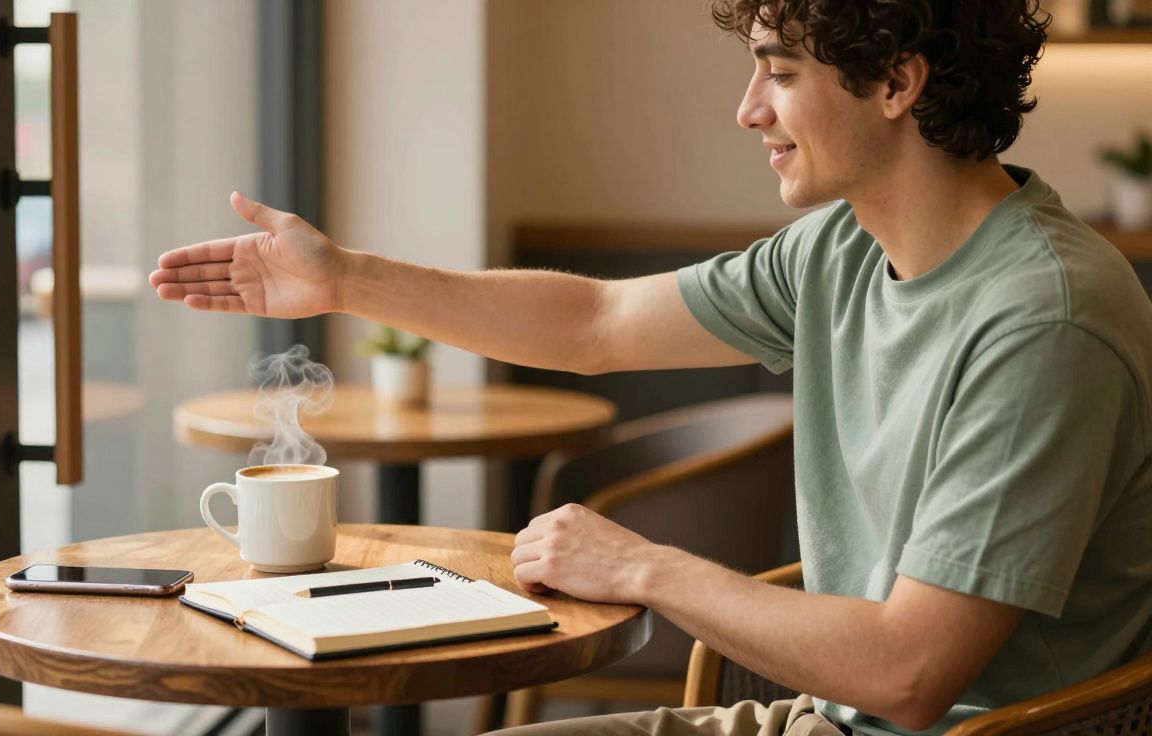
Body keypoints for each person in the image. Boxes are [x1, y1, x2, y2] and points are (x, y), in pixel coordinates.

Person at [149, 1, 1152, 733]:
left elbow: (908, 672)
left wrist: (639, 566)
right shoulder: (841, 252)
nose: (747, 109)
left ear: (897, 81)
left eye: (780, 71)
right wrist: (344, 278)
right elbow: (594, 320)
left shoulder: (1043, 320)